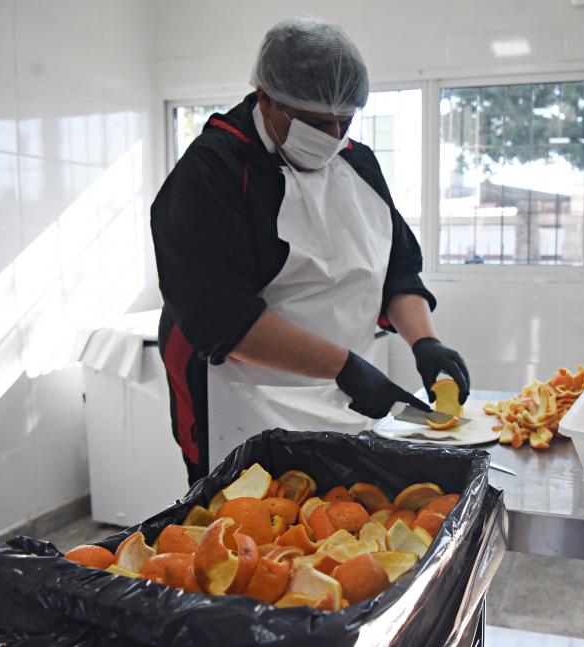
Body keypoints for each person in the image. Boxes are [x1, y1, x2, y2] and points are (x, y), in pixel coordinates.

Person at [151, 17, 470, 485]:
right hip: (240, 402)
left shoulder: (357, 162)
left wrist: (425, 342)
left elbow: (397, 269)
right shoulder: (210, 173)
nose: (334, 134)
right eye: (318, 122)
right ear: (266, 98)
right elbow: (220, 320)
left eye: (346, 120)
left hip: (343, 395)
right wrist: (344, 368)